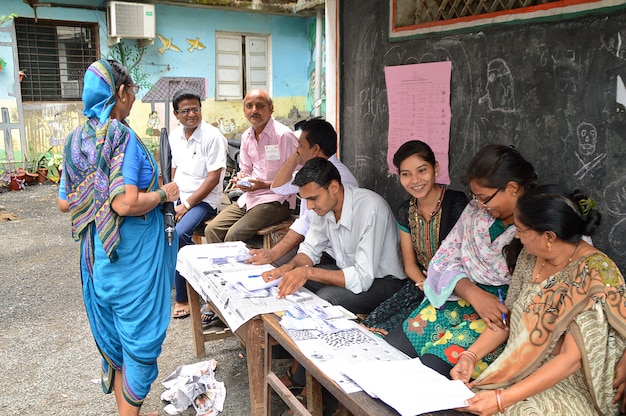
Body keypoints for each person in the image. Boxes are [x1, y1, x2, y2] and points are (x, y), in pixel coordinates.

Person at [61, 59, 179, 416]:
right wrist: (164, 194)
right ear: (121, 92)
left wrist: (94, 193)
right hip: (131, 261)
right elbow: (125, 202)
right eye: (132, 93)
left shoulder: (76, 140)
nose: (133, 99)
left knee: (115, 343)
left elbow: (66, 202)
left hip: (97, 259)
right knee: (140, 350)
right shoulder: (120, 136)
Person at [450, 185, 626, 415]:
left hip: (575, 384)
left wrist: (502, 399)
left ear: (549, 237)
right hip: (524, 366)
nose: (516, 235)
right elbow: (508, 317)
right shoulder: (531, 256)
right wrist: (469, 356)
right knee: (466, 401)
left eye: (521, 229)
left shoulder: (593, 272)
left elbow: (571, 360)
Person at [384, 144, 538, 378]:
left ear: (513, 189)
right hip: (458, 296)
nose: (480, 204)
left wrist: (489, 303)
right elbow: (446, 260)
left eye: (485, 198)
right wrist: (473, 293)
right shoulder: (476, 212)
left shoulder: (536, 229)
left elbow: (529, 301)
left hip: (499, 319)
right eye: (476, 197)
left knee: (430, 368)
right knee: (392, 351)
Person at [262, 157, 407, 314]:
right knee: (290, 281)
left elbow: (362, 278)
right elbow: (310, 249)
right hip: (350, 271)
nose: (309, 206)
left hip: (384, 281)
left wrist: (307, 272)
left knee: (325, 298)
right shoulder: (323, 207)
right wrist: (290, 267)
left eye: (313, 198)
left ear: (333, 187)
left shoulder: (371, 208)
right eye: (305, 200)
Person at [361, 140, 467, 337]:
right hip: (420, 285)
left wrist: (435, 287)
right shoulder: (405, 211)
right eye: (406, 174)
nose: (415, 180)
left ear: (435, 168)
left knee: (399, 335)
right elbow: (410, 264)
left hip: (453, 289)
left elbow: (465, 258)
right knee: (370, 326)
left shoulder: (457, 203)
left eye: (422, 170)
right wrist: (424, 284)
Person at [246, 117, 358, 266]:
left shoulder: (338, 179)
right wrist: (296, 156)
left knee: (283, 274)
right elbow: (278, 187)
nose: (297, 149)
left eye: (300, 144)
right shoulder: (313, 171)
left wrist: (273, 253)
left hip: (329, 253)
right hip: (308, 244)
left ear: (315, 149)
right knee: (265, 267)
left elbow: (307, 222)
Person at [203, 89, 298, 243]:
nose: (254, 110)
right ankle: (222, 266)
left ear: (271, 108)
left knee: (234, 235)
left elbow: (299, 177)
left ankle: (236, 266)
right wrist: (242, 178)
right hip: (251, 197)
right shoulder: (247, 136)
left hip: (278, 200)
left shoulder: (284, 135)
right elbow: (245, 169)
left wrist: (264, 185)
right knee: (212, 230)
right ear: (244, 110)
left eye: (260, 105)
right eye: (249, 106)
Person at [168, 89, 227, 319]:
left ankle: (183, 298)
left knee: (180, 232)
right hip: (180, 196)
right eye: (186, 111)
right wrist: (171, 198)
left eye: (195, 109)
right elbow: (173, 169)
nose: (192, 114)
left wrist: (188, 204)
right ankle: (178, 280)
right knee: (161, 227)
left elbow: (213, 178)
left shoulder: (212, 136)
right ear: (176, 114)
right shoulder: (175, 136)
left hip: (204, 200)